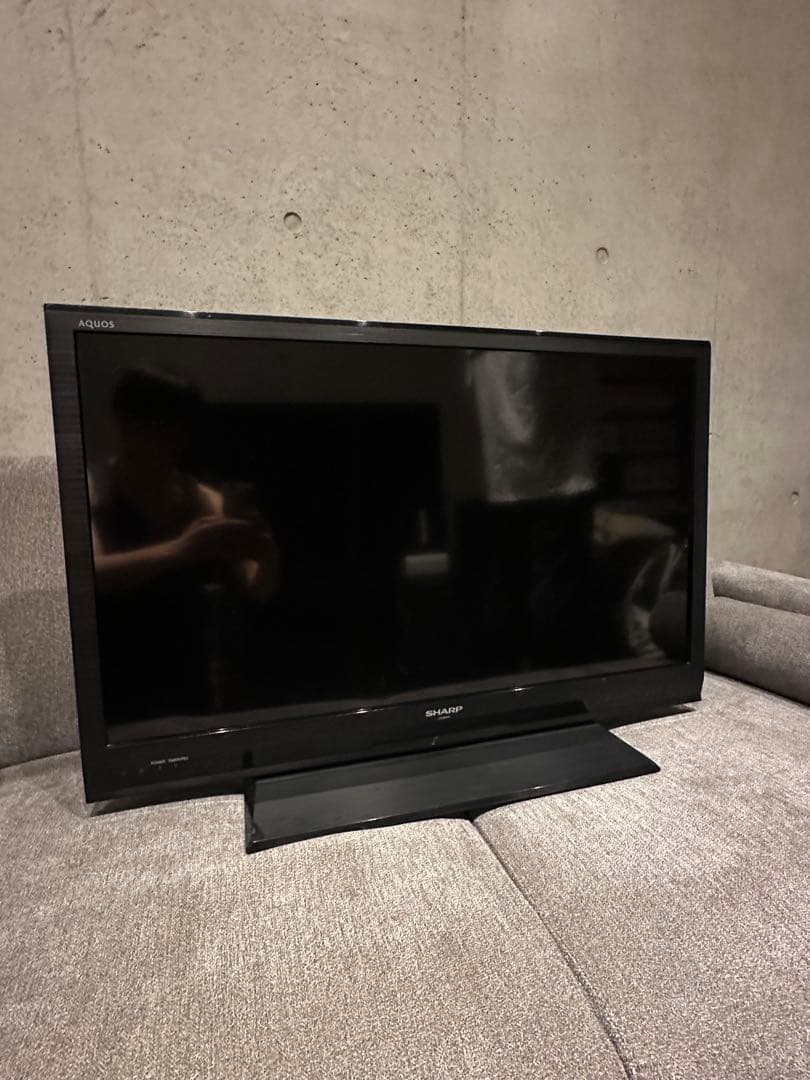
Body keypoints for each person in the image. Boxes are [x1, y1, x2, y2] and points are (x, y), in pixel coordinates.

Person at [89, 367, 279, 724]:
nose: (172, 441)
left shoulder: (201, 497)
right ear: (126, 422)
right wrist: (183, 550)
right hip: (113, 673)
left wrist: (267, 553)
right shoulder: (94, 488)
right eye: (158, 426)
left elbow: (259, 589)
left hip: (187, 674)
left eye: (180, 428)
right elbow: (86, 577)